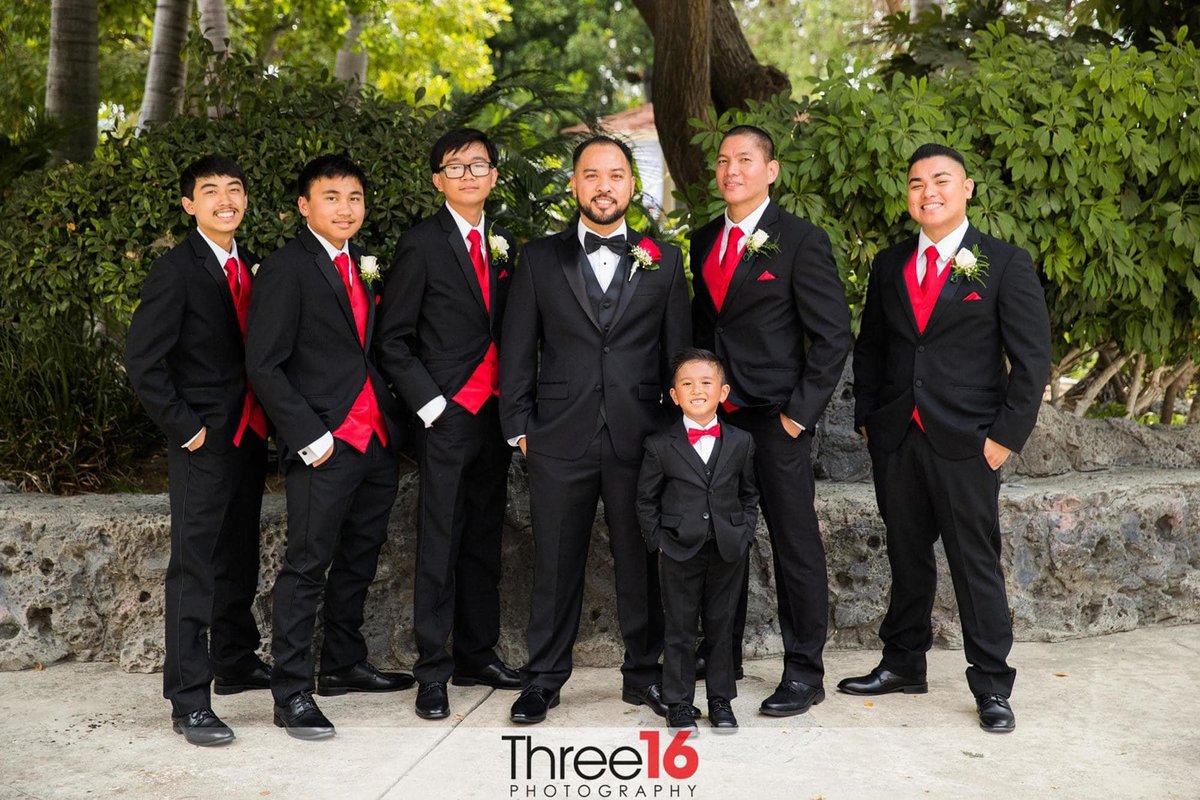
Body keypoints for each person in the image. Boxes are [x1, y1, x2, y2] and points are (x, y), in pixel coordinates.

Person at [843, 143, 1051, 733]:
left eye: (940, 180)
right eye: (916, 183)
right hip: (898, 437)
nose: (927, 192)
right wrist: (868, 418)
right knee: (906, 557)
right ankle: (903, 663)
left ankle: (991, 684)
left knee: (973, 563)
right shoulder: (889, 264)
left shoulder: (1005, 262)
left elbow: (1032, 360)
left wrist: (1005, 437)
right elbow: (874, 348)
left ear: (967, 189)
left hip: (969, 440)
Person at [500, 135, 691, 724]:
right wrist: (519, 426)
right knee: (554, 561)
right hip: (558, 435)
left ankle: (644, 676)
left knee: (641, 559)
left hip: (642, 436)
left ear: (632, 186)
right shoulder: (538, 258)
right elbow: (516, 349)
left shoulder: (665, 259)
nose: (603, 186)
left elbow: (677, 353)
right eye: (591, 175)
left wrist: (675, 434)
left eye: (615, 175)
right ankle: (544, 679)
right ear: (575, 184)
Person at [245, 154, 413, 740]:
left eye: (354, 197)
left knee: (360, 559)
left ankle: (342, 663)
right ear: (304, 205)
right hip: (323, 442)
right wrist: (309, 436)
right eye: (332, 197)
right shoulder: (287, 270)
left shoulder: (362, 264)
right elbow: (264, 365)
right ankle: (291, 691)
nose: (346, 208)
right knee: (307, 565)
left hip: (375, 440)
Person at [690, 125, 851, 717]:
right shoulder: (703, 239)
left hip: (776, 421)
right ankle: (721, 656)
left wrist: (796, 417)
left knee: (794, 546)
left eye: (746, 160)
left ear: (771, 170)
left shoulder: (802, 241)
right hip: (718, 422)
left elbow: (833, 336)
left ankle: (805, 671)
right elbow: (706, 328)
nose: (732, 170)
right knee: (719, 539)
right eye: (724, 160)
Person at [376, 128, 521, 721]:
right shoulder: (421, 245)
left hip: (494, 416)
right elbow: (393, 340)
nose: (468, 175)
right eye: (455, 167)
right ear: (438, 179)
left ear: (492, 175)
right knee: (439, 540)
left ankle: (476, 653)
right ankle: (432, 670)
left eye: (479, 165)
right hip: (446, 415)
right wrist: (432, 407)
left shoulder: (505, 243)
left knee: (485, 535)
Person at [125, 155, 270, 747]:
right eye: (210, 192)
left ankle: (235, 659)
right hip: (202, 441)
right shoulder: (175, 270)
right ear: (190, 205)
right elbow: (143, 360)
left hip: (250, 435)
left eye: (234, 189)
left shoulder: (251, 265)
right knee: (194, 566)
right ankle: (189, 699)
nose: (225, 199)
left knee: (239, 552)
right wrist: (187, 429)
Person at [637, 348, 758, 734]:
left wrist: (743, 531)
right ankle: (679, 702)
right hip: (677, 548)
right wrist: (658, 540)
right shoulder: (660, 444)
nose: (697, 390)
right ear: (674, 395)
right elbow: (645, 499)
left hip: (727, 547)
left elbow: (749, 493)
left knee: (722, 626)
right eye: (687, 384)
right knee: (680, 627)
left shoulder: (741, 442)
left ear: (723, 391)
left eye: (706, 382)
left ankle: (721, 700)